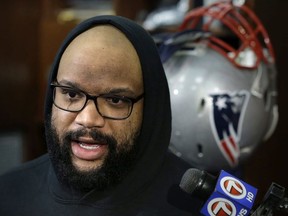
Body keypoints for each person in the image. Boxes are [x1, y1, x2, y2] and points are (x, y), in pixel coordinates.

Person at [0, 15, 202, 215]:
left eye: (115, 100)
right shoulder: (9, 194)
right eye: (71, 94)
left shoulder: (202, 204)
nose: (87, 119)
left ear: (150, 108)